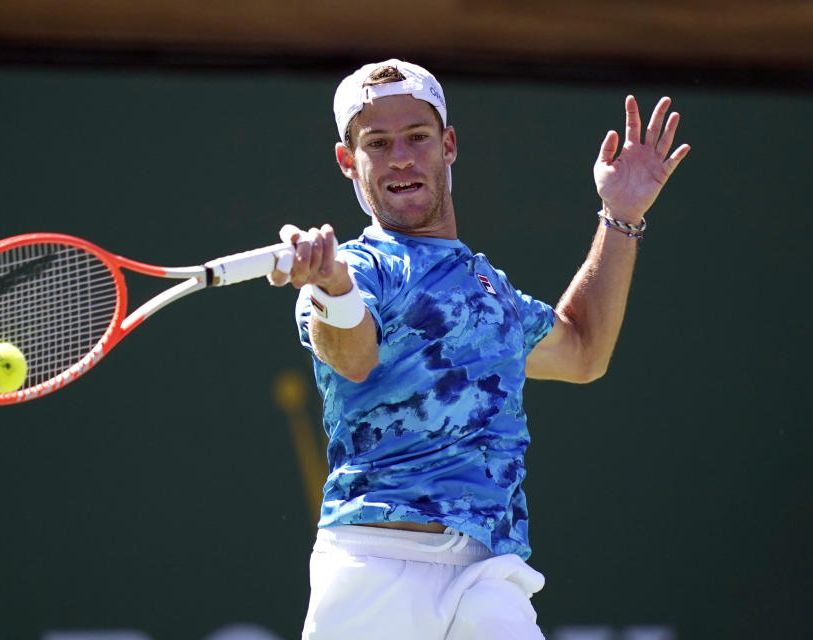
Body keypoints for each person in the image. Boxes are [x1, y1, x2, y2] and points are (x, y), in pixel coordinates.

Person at [268, 59, 689, 640]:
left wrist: (620, 216)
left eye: (417, 137)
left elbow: (584, 352)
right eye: (378, 143)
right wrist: (333, 289)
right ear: (349, 162)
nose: (400, 158)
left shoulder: (491, 291)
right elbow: (353, 356)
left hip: (490, 572)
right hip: (375, 565)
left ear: (448, 146)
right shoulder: (356, 272)